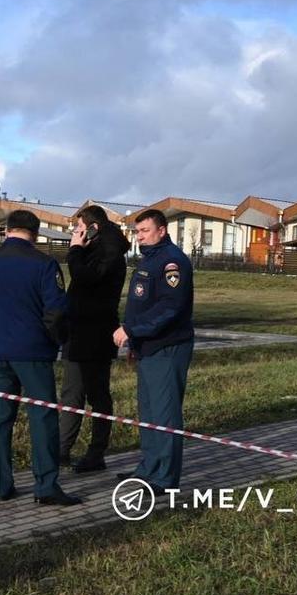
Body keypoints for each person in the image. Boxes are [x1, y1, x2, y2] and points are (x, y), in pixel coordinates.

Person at [0, 209, 81, 505]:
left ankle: (1, 484)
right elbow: (57, 308)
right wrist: (54, 339)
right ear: (35, 233)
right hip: (33, 351)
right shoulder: (45, 265)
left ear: (7, 230)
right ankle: (45, 485)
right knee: (42, 418)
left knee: (0, 418)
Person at [112, 209, 194, 494]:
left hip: (167, 347)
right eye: (137, 232)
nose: (140, 236)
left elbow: (170, 308)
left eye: (145, 230)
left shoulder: (172, 262)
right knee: (148, 412)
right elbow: (141, 305)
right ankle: (148, 469)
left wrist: (132, 332)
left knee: (165, 414)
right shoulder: (150, 260)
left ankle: (164, 478)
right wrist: (136, 342)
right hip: (147, 347)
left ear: (162, 230)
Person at [58, 205, 129, 473]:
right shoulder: (99, 247)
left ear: (93, 227)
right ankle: (63, 450)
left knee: (96, 395)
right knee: (73, 392)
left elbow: (86, 277)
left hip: (96, 333)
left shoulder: (109, 252)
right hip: (79, 331)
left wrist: (75, 250)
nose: (75, 234)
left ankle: (95, 452)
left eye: (78, 228)